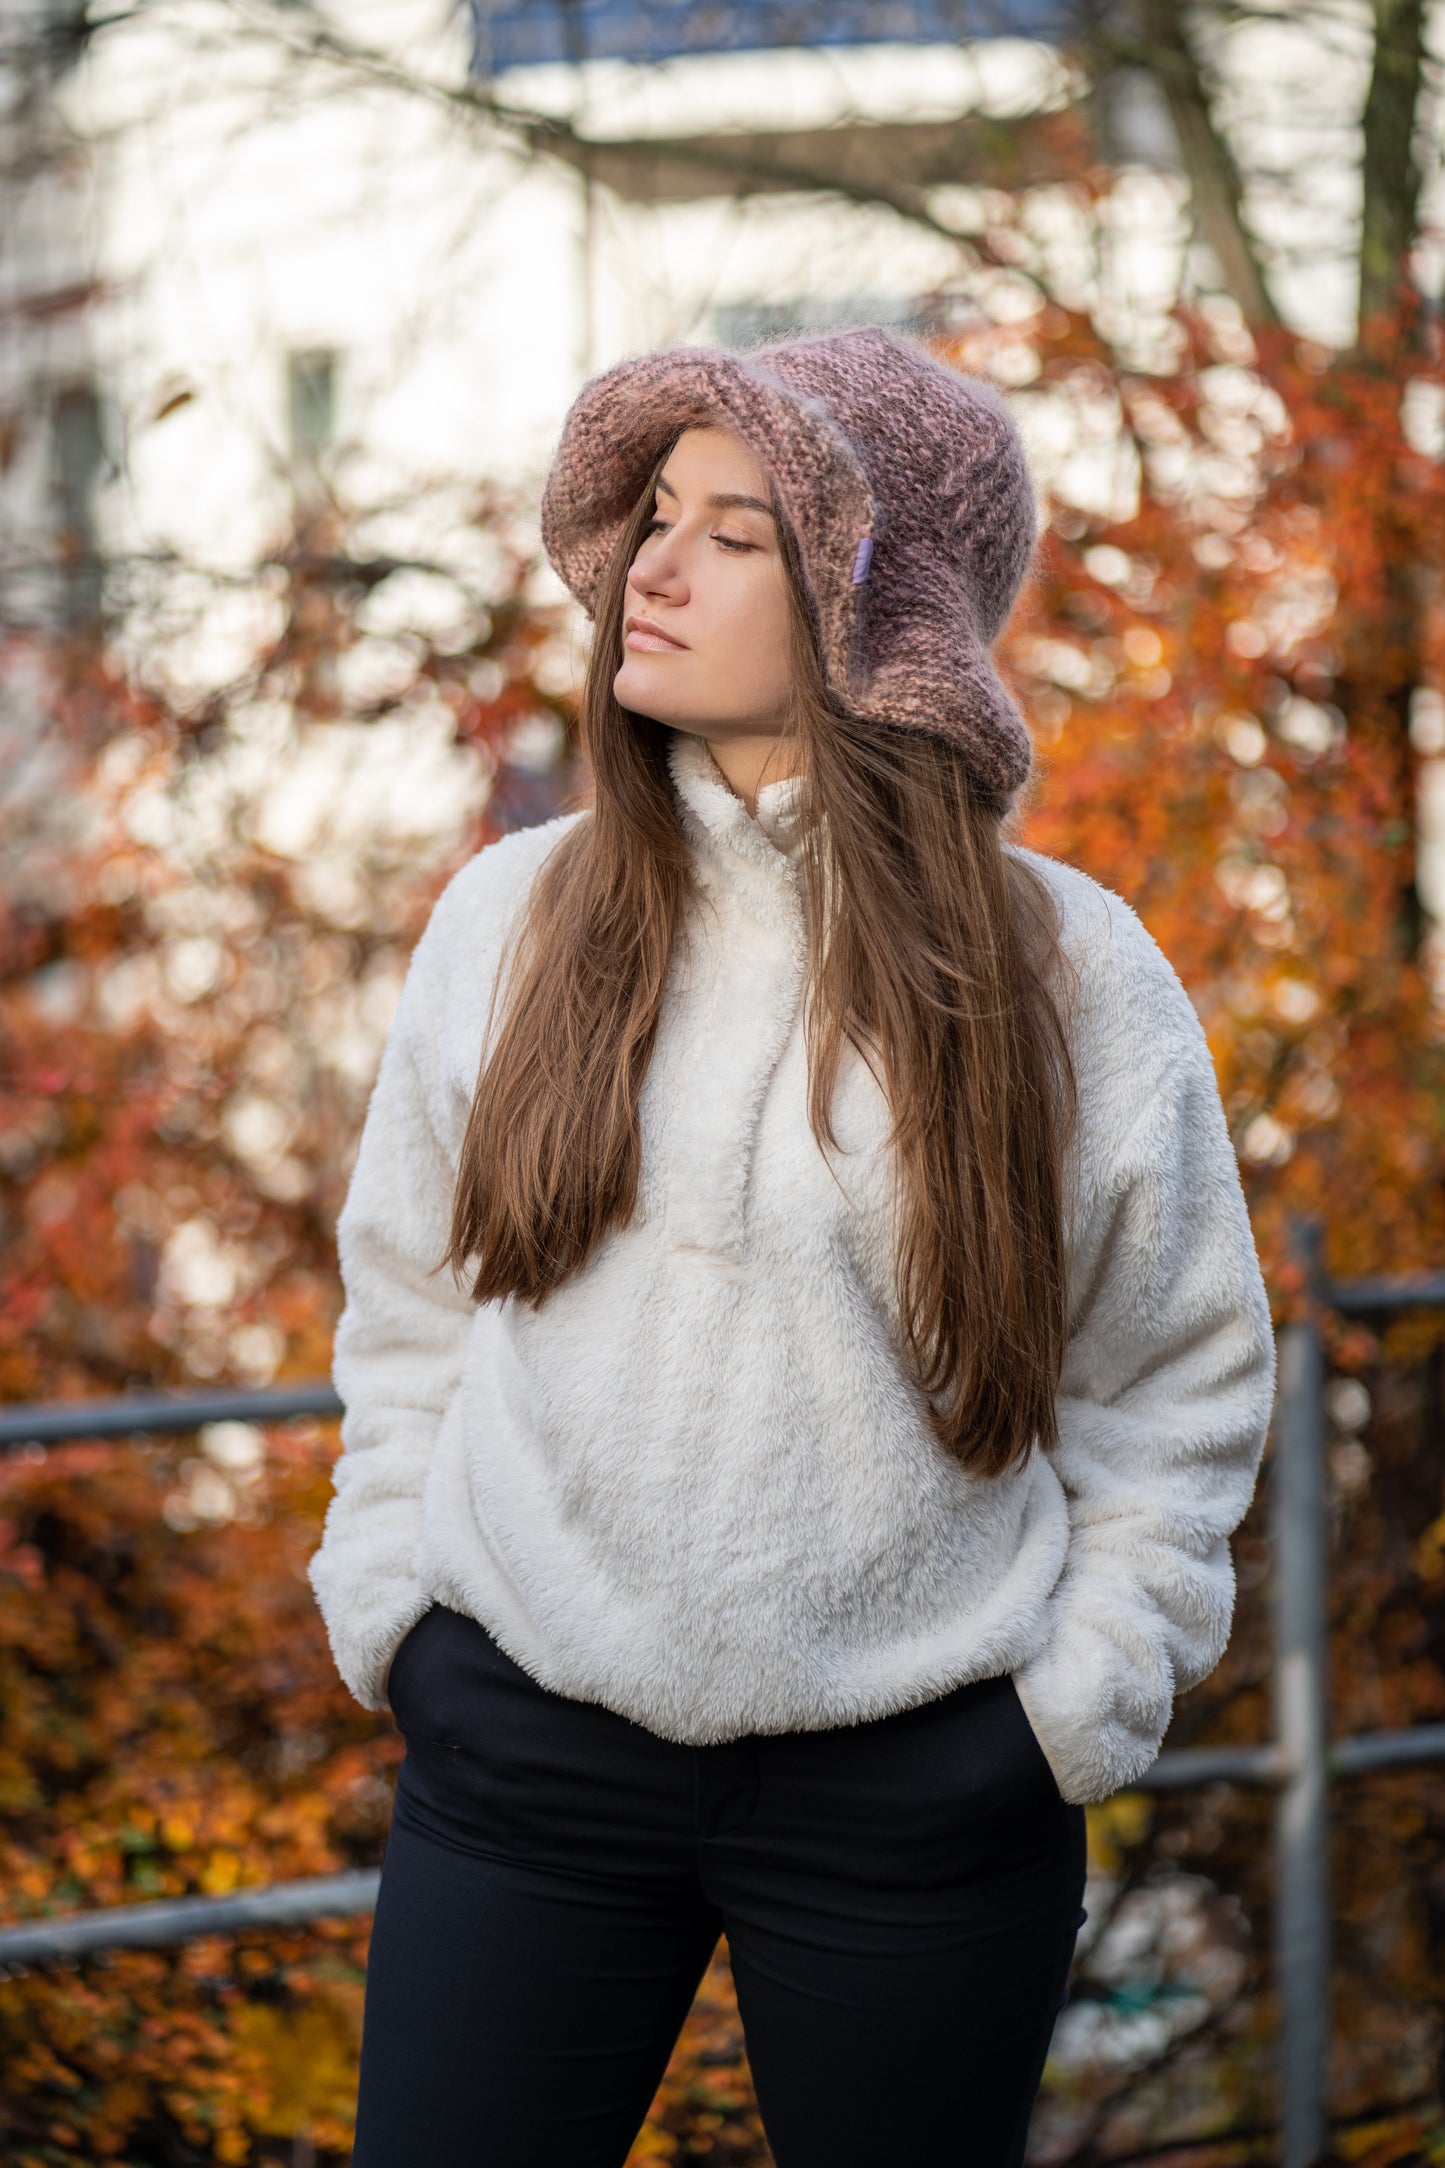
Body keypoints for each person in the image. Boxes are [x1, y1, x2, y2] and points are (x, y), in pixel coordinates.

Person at [308, 325, 1277, 2167]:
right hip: (522, 1753)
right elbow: (411, 1299)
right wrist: (400, 1612)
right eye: (650, 516)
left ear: (874, 605)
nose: (645, 570)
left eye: (733, 533)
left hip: (918, 1794)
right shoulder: (510, 916)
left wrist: (1061, 1713)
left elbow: (1175, 1385)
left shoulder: (1067, 975)